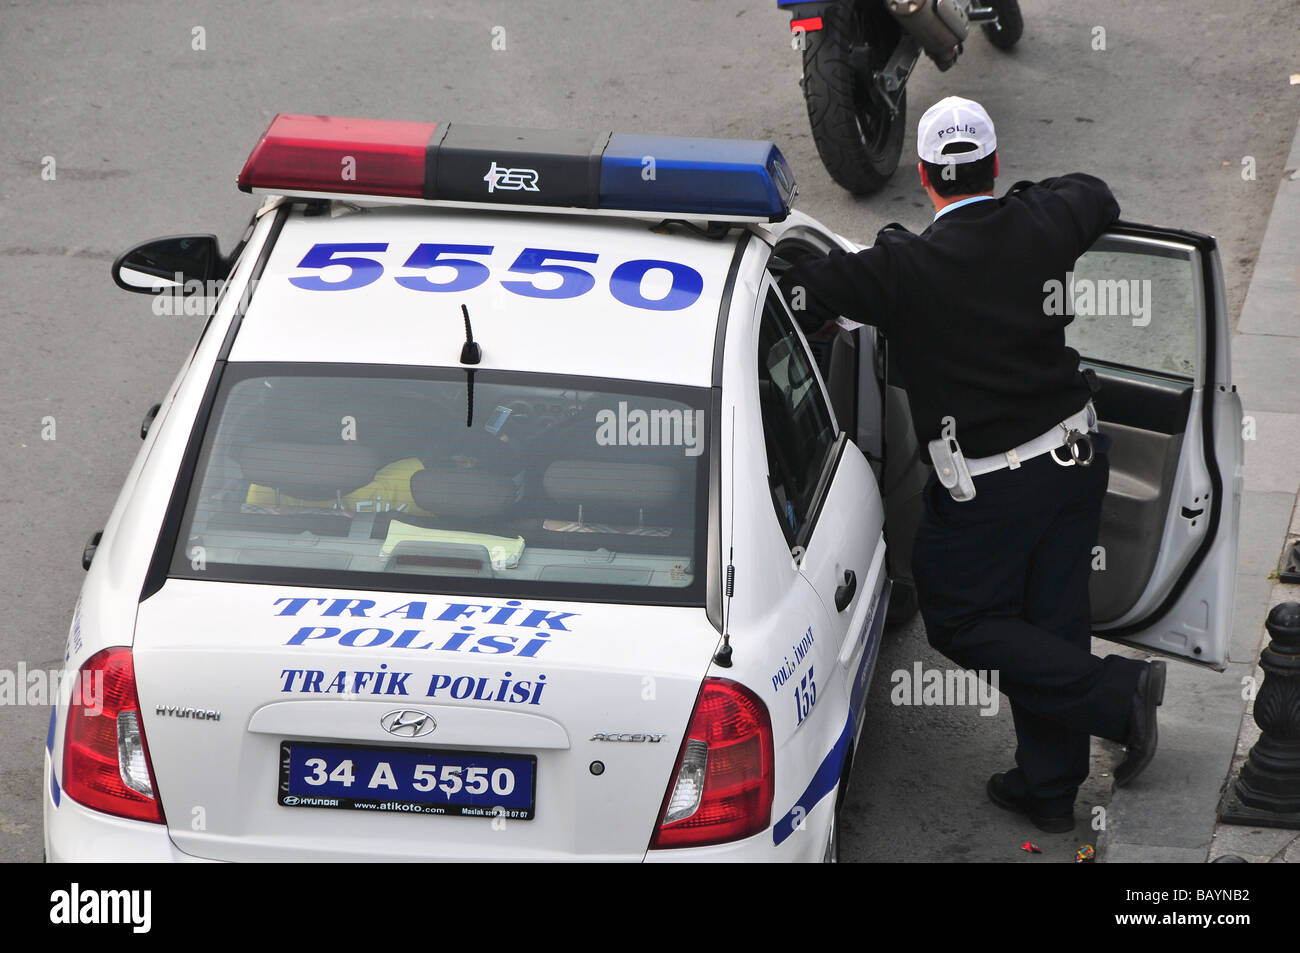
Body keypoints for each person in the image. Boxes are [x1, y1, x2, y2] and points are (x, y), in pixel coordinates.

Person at [779, 96, 1165, 833]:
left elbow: (804, 290)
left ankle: (1119, 694)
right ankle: (1050, 789)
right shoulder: (1043, 223)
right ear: (993, 167)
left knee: (957, 617)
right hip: (1075, 458)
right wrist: (1021, 206)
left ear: (924, 176)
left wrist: (854, 281)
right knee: (1051, 622)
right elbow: (1096, 193)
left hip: (989, 486)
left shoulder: (902, 267)